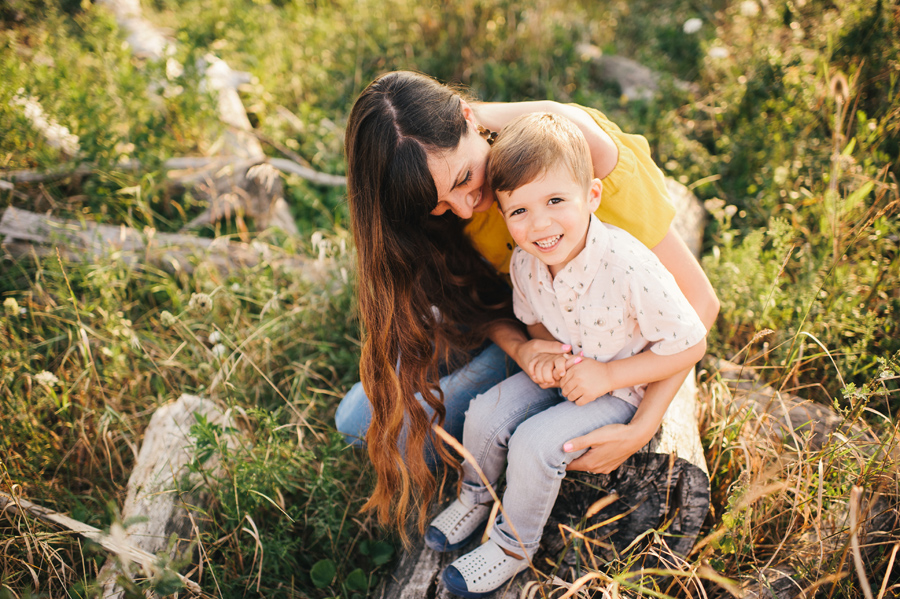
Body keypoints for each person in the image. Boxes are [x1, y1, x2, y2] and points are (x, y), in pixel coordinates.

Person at [337, 70, 719, 539]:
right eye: (439, 203)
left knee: (394, 435)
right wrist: (521, 348)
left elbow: (701, 304)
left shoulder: (587, 169)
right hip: (522, 323)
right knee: (354, 421)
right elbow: (489, 306)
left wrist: (643, 426)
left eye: (464, 178)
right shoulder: (443, 185)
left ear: (468, 119)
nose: (463, 207)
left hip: (593, 344)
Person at [425, 112, 708, 598]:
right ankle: (476, 494)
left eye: (556, 201)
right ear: (505, 214)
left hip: (621, 386)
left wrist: (609, 375)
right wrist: (542, 352)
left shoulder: (627, 263)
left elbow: (692, 343)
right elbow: (533, 318)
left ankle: (514, 545)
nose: (541, 224)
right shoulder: (526, 262)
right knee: (484, 413)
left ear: (592, 195)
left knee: (536, 443)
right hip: (568, 368)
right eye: (520, 212)